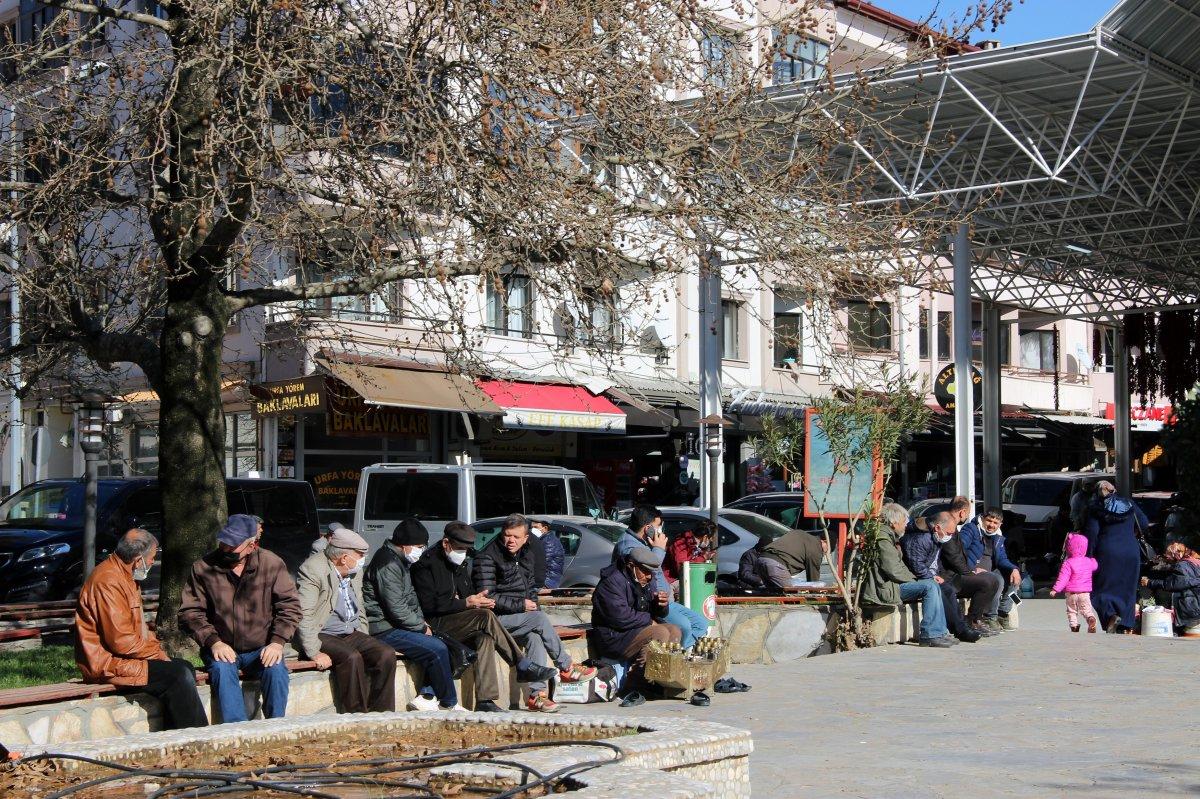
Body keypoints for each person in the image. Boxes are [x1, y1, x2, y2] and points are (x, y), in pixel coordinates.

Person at [410, 521, 558, 712]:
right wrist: (466, 603)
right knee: (485, 617)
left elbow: (468, 592)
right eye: (460, 548)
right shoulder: (427, 564)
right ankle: (520, 663)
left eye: (466, 549)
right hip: (435, 623)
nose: (463, 553)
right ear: (446, 543)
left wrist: (477, 600)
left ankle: (485, 700)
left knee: (485, 638)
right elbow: (430, 605)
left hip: (460, 619)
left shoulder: (460, 562)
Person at [75, 528, 208, 730]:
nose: (153, 562)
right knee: (177, 674)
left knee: (185, 667)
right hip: (107, 663)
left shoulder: (125, 576)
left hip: (126, 658)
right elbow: (121, 641)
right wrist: (156, 654)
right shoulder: (108, 581)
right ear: (138, 560)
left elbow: (139, 632)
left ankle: (181, 736)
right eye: (153, 557)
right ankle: (193, 741)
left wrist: (157, 651)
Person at [178, 514, 303, 723]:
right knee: (221, 668)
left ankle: (277, 726)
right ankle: (236, 732)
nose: (226, 548)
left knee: (276, 669)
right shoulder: (203, 567)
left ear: (251, 545)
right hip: (222, 645)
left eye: (233, 545)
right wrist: (214, 642)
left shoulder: (271, 563)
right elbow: (190, 612)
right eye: (224, 541)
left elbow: (289, 606)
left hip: (262, 646)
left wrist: (277, 643)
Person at [472, 513, 597, 713]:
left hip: (518, 618)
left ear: (526, 538)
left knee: (534, 637)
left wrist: (531, 604)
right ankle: (566, 667)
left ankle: (536, 696)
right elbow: (487, 598)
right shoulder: (487, 557)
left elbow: (531, 588)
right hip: (492, 620)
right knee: (538, 619)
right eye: (507, 535)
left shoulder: (526, 553)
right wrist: (521, 605)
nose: (510, 540)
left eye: (516, 537)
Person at [294, 527, 396, 714]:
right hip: (323, 632)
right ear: (343, 558)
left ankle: (383, 715)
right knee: (351, 657)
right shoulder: (312, 570)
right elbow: (304, 614)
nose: (362, 560)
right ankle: (356, 716)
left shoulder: (353, 572)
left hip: (351, 630)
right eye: (359, 555)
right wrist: (313, 651)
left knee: (385, 654)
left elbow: (360, 606)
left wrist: (365, 637)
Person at [364, 518, 462, 711]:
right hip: (383, 628)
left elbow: (410, 598)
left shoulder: (400, 560)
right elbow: (397, 608)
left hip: (396, 624)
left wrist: (422, 623)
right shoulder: (388, 564)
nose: (421, 550)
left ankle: (429, 695)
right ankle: (449, 703)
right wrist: (420, 627)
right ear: (404, 545)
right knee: (437, 648)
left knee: (442, 642)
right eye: (419, 546)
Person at [591, 546, 682, 707]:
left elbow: (650, 611)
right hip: (613, 637)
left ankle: (659, 680)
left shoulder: (645, 579)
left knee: (674, 630)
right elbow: (620, 618)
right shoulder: (612, 582)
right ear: (631, 565)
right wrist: (648, 620)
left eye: (651, 573)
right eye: (645, 572)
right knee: (659, 633)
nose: (649, 577)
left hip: (632, 630)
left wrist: (660, 605)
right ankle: (635, 684)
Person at [612, 505, 709, 648]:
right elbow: (646, 570)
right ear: (648, 528)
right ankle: (678, 657)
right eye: (658, 526)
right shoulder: (629, 546)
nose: (660, 530)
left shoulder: (643, 542)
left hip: (664, 602)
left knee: (701, 624)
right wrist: (658, 549)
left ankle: (680, 652)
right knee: (685, 627)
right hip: (651, 604)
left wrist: (654, 547)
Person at [862, 505, 956, 647]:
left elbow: (898, 567)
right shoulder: (882, 539)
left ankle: (940, 631)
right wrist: (916, 579)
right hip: (884, 588)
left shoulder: (889, 537)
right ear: (894, 523)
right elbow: (893, 569)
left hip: (891, 585)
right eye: (904, 522)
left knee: (932, 584)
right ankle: (930, 634)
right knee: (929, 586)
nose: (906, 526)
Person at [1085, 480, 1150, 632]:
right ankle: (1125, 626)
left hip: (1107, 553)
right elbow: (1144, 523)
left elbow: (1092, 534)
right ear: (1114, 490)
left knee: (1101, 589)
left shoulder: (1095, 509)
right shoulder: (1129, 504)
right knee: (1127, 589)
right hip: (1131, 552)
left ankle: (1110, 615)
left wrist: (1088, 556)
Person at [959, 508, 1023, 630]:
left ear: (1000, 524)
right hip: (972, 572)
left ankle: (1002, 613)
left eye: (995, 523)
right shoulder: (971, 529)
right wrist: (971, 568)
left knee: (1014, 580)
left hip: (990, 570)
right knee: (997, 580)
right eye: (989, 521)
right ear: (982, 519)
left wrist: (1014, 569)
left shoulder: (998, 537)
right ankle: (990, 617)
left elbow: (1002, 559)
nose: (991, 525)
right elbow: (959, 549)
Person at [1141, 541, 1200, 634]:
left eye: (1168, 555)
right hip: (1196, 600)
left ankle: (1171, 624)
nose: (1167, 558)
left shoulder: (1182, 565)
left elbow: (1172, 584)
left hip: (1193, 605)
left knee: (1162, 593)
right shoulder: (1194, 561)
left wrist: (1150, 582)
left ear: (1175, 554)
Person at [1049, 532, 1100, 632]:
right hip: (1084, 593)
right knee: (1086, 610)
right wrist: (1094, 560)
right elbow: (1095, 566)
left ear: (1069, 548)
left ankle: (1074, 627)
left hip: (1071, 593)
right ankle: (1090, 619)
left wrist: (1055, 589)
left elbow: (1063, 578)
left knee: (1072, 611)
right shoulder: (1088, 561)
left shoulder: (1068, 563)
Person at [758, 528, 829, 586]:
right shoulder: (816, 546)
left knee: (773, 594)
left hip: (761, 560)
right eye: (827, 550)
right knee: (790, 593)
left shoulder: (801, 534)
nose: (825, 553)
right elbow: (814, 575)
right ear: (825, 542)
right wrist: (815, 589)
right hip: (775, 565)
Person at [663, 520, 717, 585]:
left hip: (685, 579)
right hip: (671, 580)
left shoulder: (696, 544)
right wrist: (703, 557)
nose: (711, 541)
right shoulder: (682, 543)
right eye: (711, 538)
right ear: (705, 537)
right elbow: (682, 568)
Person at [530, 518, 566, 589]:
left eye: (536, 527)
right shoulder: (543, 539)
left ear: (545, 528)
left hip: (547, 580)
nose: (532, 530)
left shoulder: (548, 541)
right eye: (532, 527)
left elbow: (541, 561)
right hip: (545, 579)